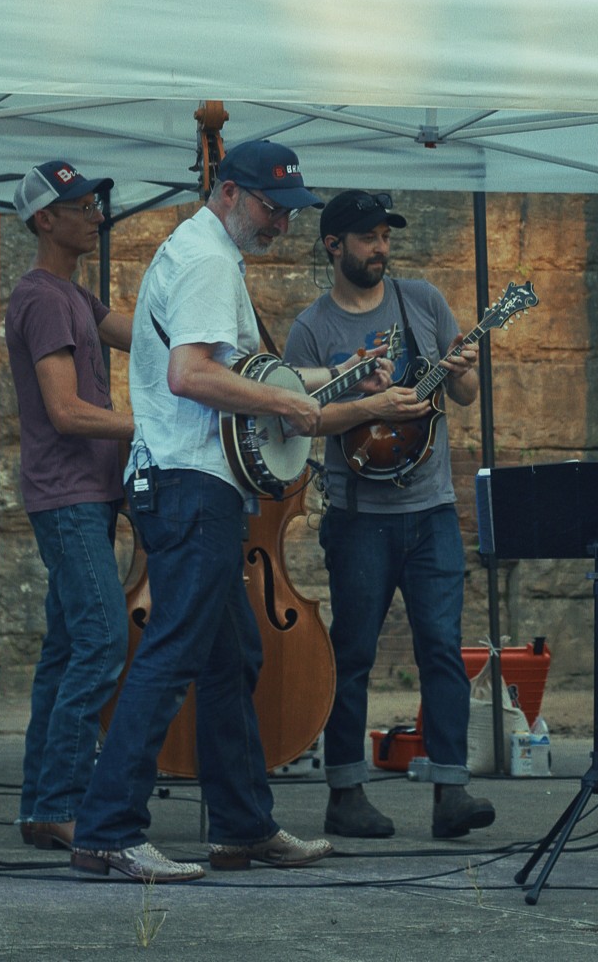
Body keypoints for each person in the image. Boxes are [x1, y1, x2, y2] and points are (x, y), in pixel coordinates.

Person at [71, 141, 377, 883]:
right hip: (192, 485)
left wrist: (333, 377)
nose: (281, 225)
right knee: (174, 653)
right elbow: (192, 373)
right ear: (231, 192)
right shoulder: (208, 260)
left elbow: (247, 369)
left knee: (231, 655)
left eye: (289, 212)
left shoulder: (203, 252)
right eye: (273, 209)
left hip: (186, 484)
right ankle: (109, 830)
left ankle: (242, 827)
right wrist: (290, 405)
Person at [282, 189, 496, 841]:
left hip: (429, 509)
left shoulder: (424, 301)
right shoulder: (313, 326)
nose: (381, 247)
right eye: (369, 237)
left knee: (441, 648)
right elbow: (293, 402)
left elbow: (462, 394)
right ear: (333, 246)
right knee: (352, 652)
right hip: (357, 513)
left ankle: (450, 791)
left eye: (385, 236)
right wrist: (359, 392)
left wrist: (461, 369)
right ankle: (345, 793)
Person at [5, 161, 132, 852]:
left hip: (86, 496)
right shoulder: (45, 299)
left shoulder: (75, 296)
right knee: (104, 642)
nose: (96, 215)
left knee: (63, 653)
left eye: (94, 203)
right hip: (70, 498)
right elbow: (64, 411)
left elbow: (147, 337)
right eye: (80, 206)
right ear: (43, 220)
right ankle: (59, 802)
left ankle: (39, 807)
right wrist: (148, 428)